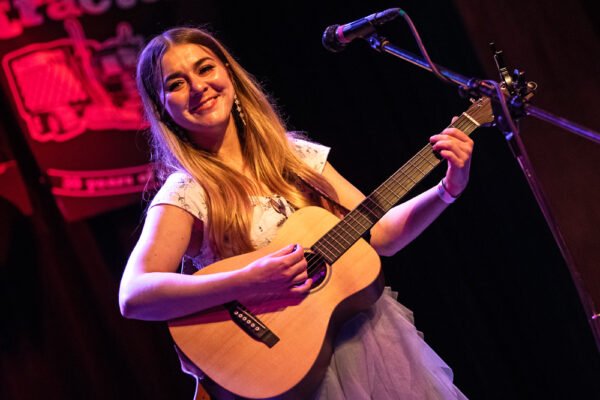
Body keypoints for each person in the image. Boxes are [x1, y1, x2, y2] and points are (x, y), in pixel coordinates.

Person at [119, 26, 473, 400]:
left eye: (205, 69)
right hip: (284, 371)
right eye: (176, 84)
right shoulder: (188, 190)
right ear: (163, 108)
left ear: (228, 73)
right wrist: (247, 279)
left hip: (366, 344)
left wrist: (447, 190)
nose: (198, 87)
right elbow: (134, 294)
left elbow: (381, 234)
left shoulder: (296, 157)